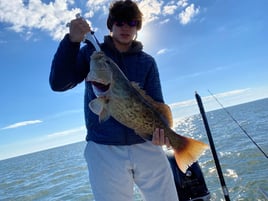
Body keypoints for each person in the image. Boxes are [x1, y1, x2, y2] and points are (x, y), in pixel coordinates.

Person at [49, 0, 179, 200]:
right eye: (119, 22)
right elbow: (59, 83)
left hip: (146, 144)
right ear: (111, 25)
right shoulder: (93, 54)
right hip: (103, 148)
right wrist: (71, 41)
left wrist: (162, 133)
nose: (126, 27)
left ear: (138, 27)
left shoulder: (147, 62)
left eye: (132, 22)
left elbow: (156, 104)